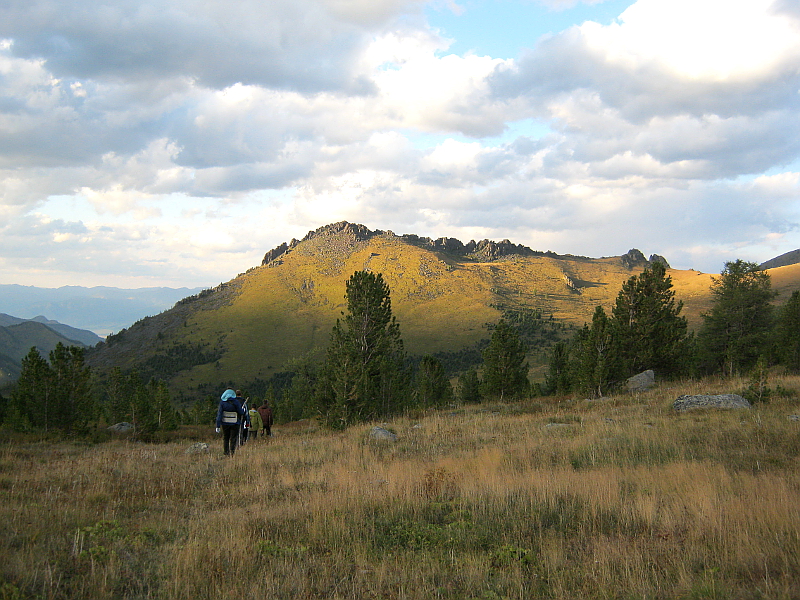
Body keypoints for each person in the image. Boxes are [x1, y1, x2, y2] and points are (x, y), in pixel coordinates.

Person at [216, 387, 247, 456]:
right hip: (235, 423)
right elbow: (241, 412)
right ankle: (232, 453)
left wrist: (218, 425)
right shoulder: (236, 402)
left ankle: (226, 453)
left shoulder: (222, 403)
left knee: (226, 438)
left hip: (225, 423)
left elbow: (219, 414)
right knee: (233, 438)